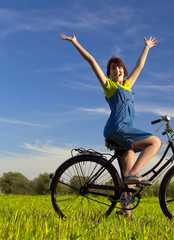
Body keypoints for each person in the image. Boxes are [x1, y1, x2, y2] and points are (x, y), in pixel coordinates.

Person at [60, 34, 162, 188]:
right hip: (117, 129)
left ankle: (127, 207)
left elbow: (139, 66)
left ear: (124, 71)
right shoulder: (109, 86)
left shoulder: (127, 85)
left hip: (126, 131)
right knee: (155, 142)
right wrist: (75, 42)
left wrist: (146, 47)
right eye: (113, 69)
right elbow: (92, 61)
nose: (117, 71)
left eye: (119, 68)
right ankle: (134, 174)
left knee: (128, 180)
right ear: (109, 73)